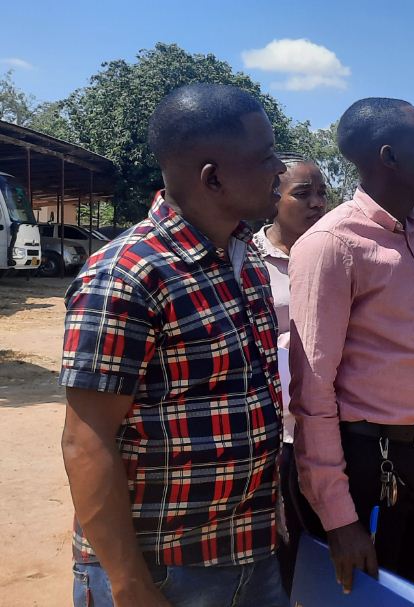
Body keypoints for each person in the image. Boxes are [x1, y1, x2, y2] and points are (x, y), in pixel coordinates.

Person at [60, 83, 288, 607]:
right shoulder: (127, 275)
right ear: (214, 178)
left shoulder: (245, 259)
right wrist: (130, 583)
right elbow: (86, 441)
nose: (279, 167)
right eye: (265, 156)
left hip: (249, 553)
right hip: (165, 569)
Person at [288, 97, 414, 605]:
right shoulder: (332, 244)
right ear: (388, 157)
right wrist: (339, 518)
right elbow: (312, 389)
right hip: (367, 467)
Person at [250, 151, 327, 590]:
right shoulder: (249, 259)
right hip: (273, 432)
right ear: (274, 198)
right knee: (278, 545)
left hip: (323, 426)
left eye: (322, 194)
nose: (316, 203)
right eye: (303, 193)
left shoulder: (333, 252)